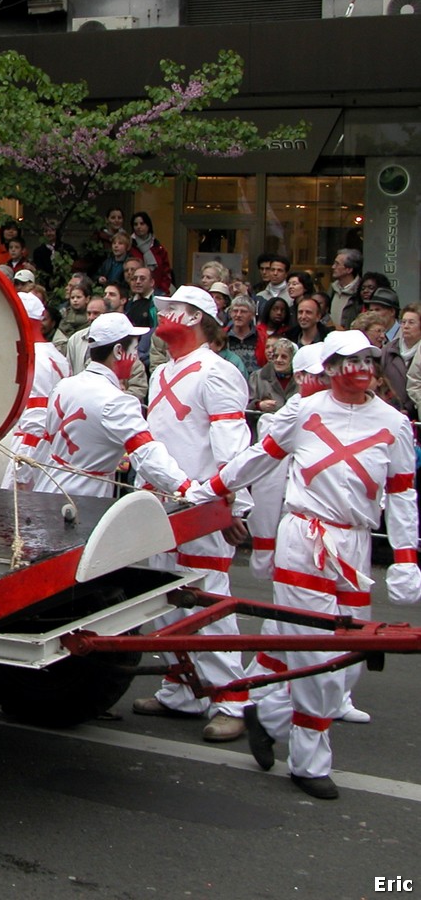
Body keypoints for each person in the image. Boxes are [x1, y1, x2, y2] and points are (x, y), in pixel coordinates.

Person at [190, 331, 417, 799]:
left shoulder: (394, 424)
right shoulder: (305, 410)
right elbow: (259, 460)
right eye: (347, 359)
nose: (359, 368)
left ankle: (268, 715)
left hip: (353, 547)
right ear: (331, 366)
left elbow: (401, 494)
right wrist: (211, 488)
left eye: (367, 359)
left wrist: (406, 559)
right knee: (317, 652)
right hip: (305, 537)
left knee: (350, 658)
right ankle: (310, 762)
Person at [133, 286, 251, 742]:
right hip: (161, 505)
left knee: (207, 604)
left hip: (201, 507)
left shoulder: (218, 373)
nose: (163, 317)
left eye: (171, 311)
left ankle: (232, 698)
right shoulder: (162, 373)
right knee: (164, 598)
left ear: (197, 317)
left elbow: (232, 446)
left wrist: (235, 504)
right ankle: (182, 687)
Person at [17, 313, 191, 499]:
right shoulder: (117, 401)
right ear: (118, 351)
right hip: (83, 500)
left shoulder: (64, 385)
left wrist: (25, 480)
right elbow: (147, 454)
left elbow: (44, 443)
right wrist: (187, 488)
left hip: (48, 489)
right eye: (133, 348)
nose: (135, 357)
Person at [3, 292, 71, 489]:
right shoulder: (53, 355)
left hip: (32, 455)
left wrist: (22, 474)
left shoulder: (37, 360)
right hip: (45, 453)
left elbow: (37, 420)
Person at [249, 337, 298, 414]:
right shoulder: (258, 376)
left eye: (284, 357)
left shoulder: (299, 379)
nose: (278, 360)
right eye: (276, 356)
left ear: (293, 359)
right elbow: (246, 405)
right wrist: (259, 405)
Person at [127, 212, 172, 293]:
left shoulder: (158, 247)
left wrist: (163, 289)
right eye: (135, 224)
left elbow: (166, 272)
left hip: (157, 290)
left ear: (148, 225)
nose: (138, 227)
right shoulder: (129, 246)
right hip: (135, 292)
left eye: (142, 223)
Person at [329, 248, 362, 329]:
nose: (333, 267)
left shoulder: (361, 292)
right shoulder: (332, 289)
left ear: (349, 269)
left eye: (337, 264)